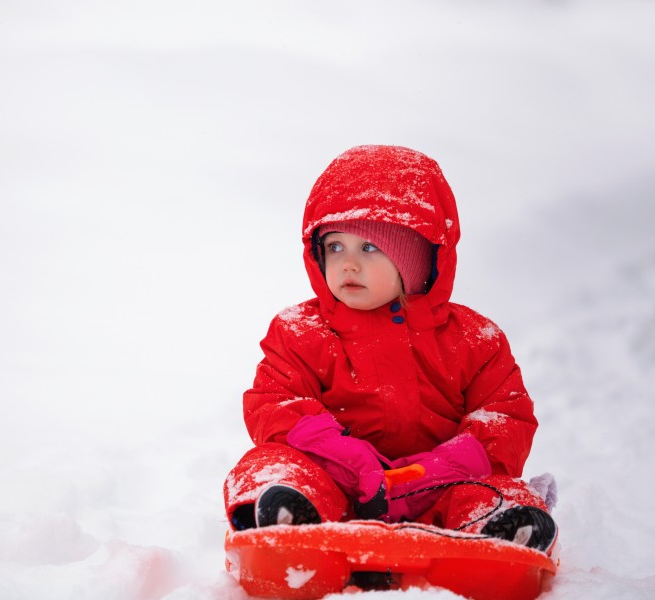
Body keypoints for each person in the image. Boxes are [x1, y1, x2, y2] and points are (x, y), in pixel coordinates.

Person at [223, 145, 557, 554]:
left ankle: (501, 530)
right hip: (339, 484)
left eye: (369, 248)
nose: (348, 264)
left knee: (495, 489)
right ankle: (287, 518)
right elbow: (276, 404)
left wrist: (442, 467)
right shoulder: (299, 331)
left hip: (443, 487)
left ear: (418, 258)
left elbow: (505, 417)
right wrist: (344, 457)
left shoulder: (475, 339)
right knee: (268, 465)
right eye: (334, 247)